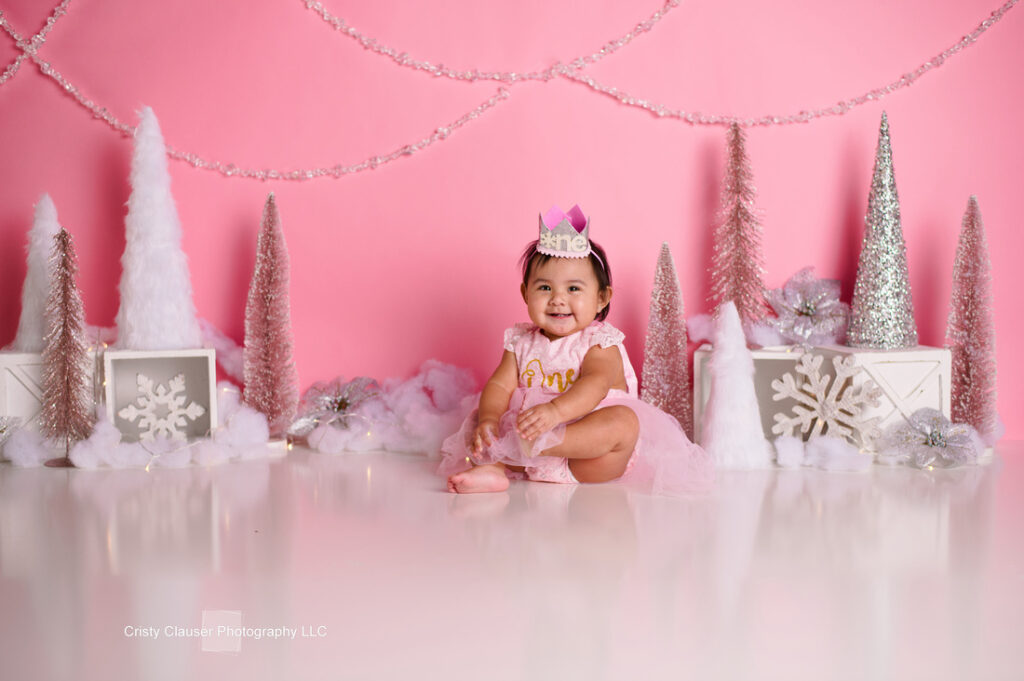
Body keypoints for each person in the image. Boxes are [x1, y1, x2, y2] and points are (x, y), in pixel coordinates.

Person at [438, 205, 713, 495]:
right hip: (522, 452)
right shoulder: (519, 341)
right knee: (475, 423)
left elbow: (595, 384)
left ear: (601, 298)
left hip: (586, 460)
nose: (558, 299)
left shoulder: (599, 342)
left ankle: (535, 447)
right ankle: (493, 472)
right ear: (525, 293)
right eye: (545, 288)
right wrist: (490, 420)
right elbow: (499, 383)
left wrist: (555, 415)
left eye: (573, 289)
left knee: (624, 424)